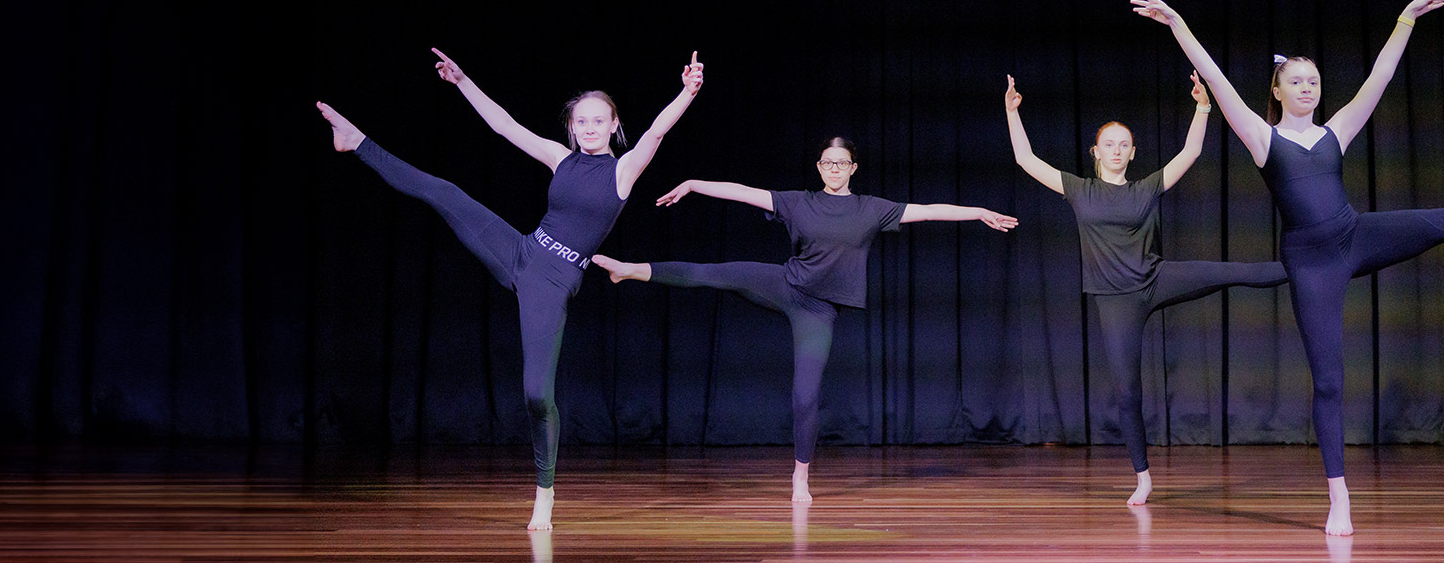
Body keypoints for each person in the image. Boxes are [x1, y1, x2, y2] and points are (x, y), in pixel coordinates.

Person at [1133, 0, 1444, 535]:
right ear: (1277, 91)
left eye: (1314, 81)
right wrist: (1178, 23)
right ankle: (1339, 496)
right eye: (1296, 82)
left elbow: (1378, 79)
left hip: (1354, 236)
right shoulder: (1263, 138)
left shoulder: (1336, 132)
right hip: (1311, 263)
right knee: (1329, 380)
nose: (1307, 88)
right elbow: (1216, 79)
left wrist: (1404, 20)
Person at [317, 48, 706, 530]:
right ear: (572, 127)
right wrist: (462, 81)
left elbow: (657, 132)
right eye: (580, 120)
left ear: (612, 125)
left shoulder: (622, 172)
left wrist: (686, 92)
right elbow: (503, 125)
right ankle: (356, 142)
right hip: (522, 251)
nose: (587, 128)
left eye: (597, 121)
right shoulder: (560, 158)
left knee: (536, 395)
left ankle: (545, 492)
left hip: (554, 281)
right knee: (446, 192)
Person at [591, 137, 1018, 502]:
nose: (834, 169)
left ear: (853, 168)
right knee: (715, 273)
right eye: (827, 163)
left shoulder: (871, 209)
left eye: (842, 163)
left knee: (805, 395)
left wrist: (978, 211)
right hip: (785, 285)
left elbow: (927, 210)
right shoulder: (798, 202)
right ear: (819, 167)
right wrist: (692, 184)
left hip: (818, 310)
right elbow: (744, 191)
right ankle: (628, 269)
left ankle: (801, 474)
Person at [1004, 73, 1286, 505]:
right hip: (1115, 301)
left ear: (1133, 153)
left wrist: (1202, 106)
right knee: (1126, 391)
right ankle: (1143, 477)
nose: (1116, 151)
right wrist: (1012, 111)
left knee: (1226, 271)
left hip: (1155, 278)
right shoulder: (1080, 191)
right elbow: (1026, 159)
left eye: (1124, 145)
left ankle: (1300, 269)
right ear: (1095, 152)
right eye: (1109, 145)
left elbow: (1190, 152)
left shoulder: (1146, 187)